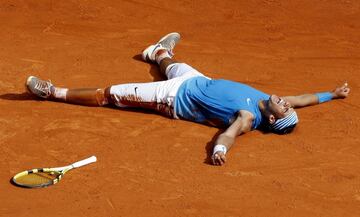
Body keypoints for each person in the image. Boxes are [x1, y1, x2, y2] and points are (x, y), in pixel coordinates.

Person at [25, 32, 351, 166]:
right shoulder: (270, 100)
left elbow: (229, 133)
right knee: (168, 62)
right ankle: (157, 51)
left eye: (285, 108)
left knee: (111, 94)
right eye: (287, 104)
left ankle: (52, 92)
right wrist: (332, 94)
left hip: (171, 98)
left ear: (271, 119)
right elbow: (306, 98)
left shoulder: (249, 117)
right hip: (197, 79)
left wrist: (220, 149)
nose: (286, 102)